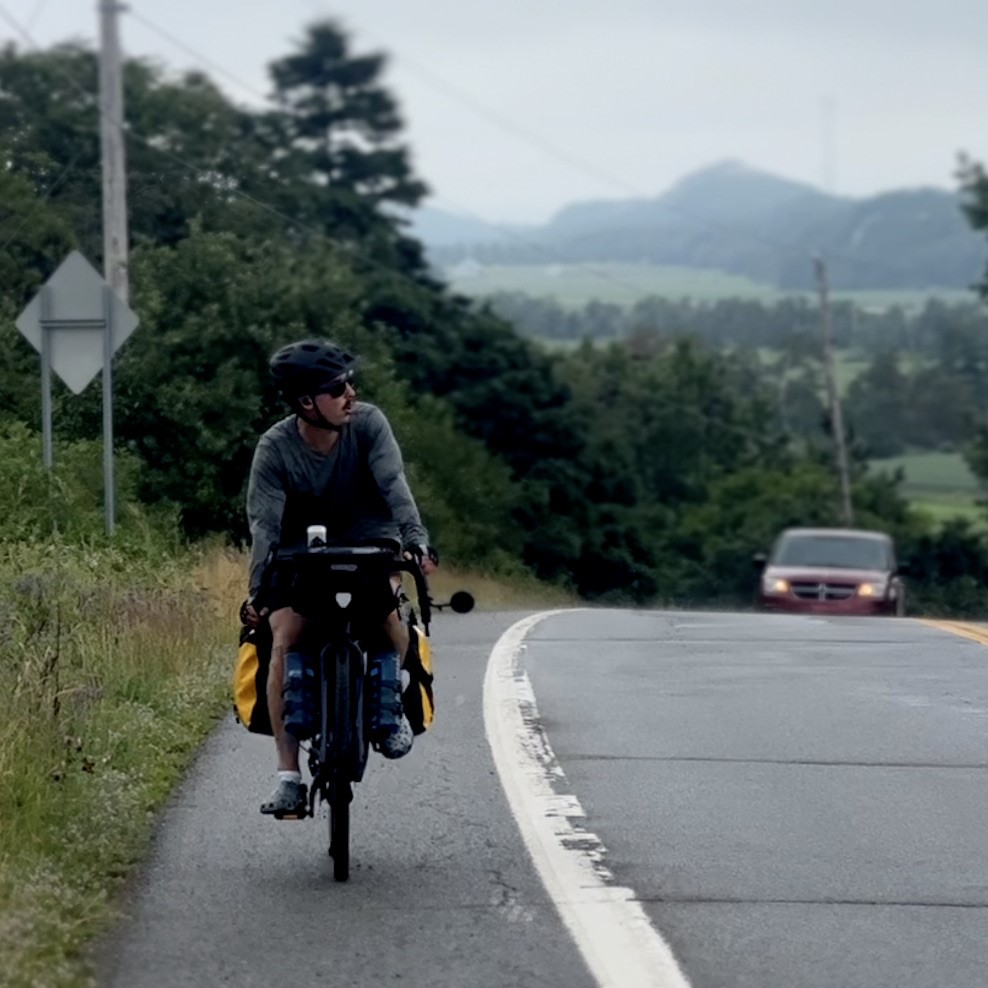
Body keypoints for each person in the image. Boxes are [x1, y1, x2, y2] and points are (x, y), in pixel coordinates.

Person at [244, 339, 437, 818]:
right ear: (307, 402)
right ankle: (289, 776)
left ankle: (387, 709)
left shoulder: (368, 424)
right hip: (299, 547)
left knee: (390, 617)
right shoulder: (274, 449)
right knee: (285, 635)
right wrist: (259, 593)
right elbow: (264, 527)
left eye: (350, 383)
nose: (351, 393)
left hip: (370, 535)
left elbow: (394, 484)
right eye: (337, 388)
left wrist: (415, 539)